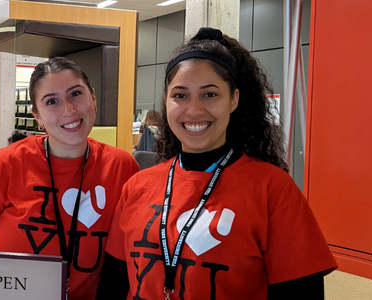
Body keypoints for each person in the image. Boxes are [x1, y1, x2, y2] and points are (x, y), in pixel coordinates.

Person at [98, 27, 337, 300]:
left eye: (210, 94)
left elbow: (301, 292)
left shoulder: (273, 189)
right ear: (166, 100)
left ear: (233, 99)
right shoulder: (137, 186)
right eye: (180, 95)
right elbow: (113, 284)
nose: (194, 109)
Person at [0, 57, 139, 299]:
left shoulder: (122, 168)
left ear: (93, 98)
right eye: (52, 101)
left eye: (75, 94)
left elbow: (130, 261)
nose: (68, 110)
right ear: (38, 117)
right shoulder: (4, 165)